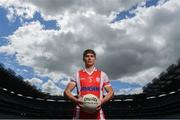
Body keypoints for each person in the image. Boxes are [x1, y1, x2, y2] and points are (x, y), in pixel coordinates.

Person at [64, 49, 114, 119]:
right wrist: (76, 100)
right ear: (83, 59)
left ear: (95, 59)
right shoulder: (77, 74)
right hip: (80, 112)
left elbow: (111, 92)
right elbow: (66, 91)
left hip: (98, 113)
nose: (89, 58)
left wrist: (102, 101)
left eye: (92, 56)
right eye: (87, 56)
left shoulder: (102, 74)